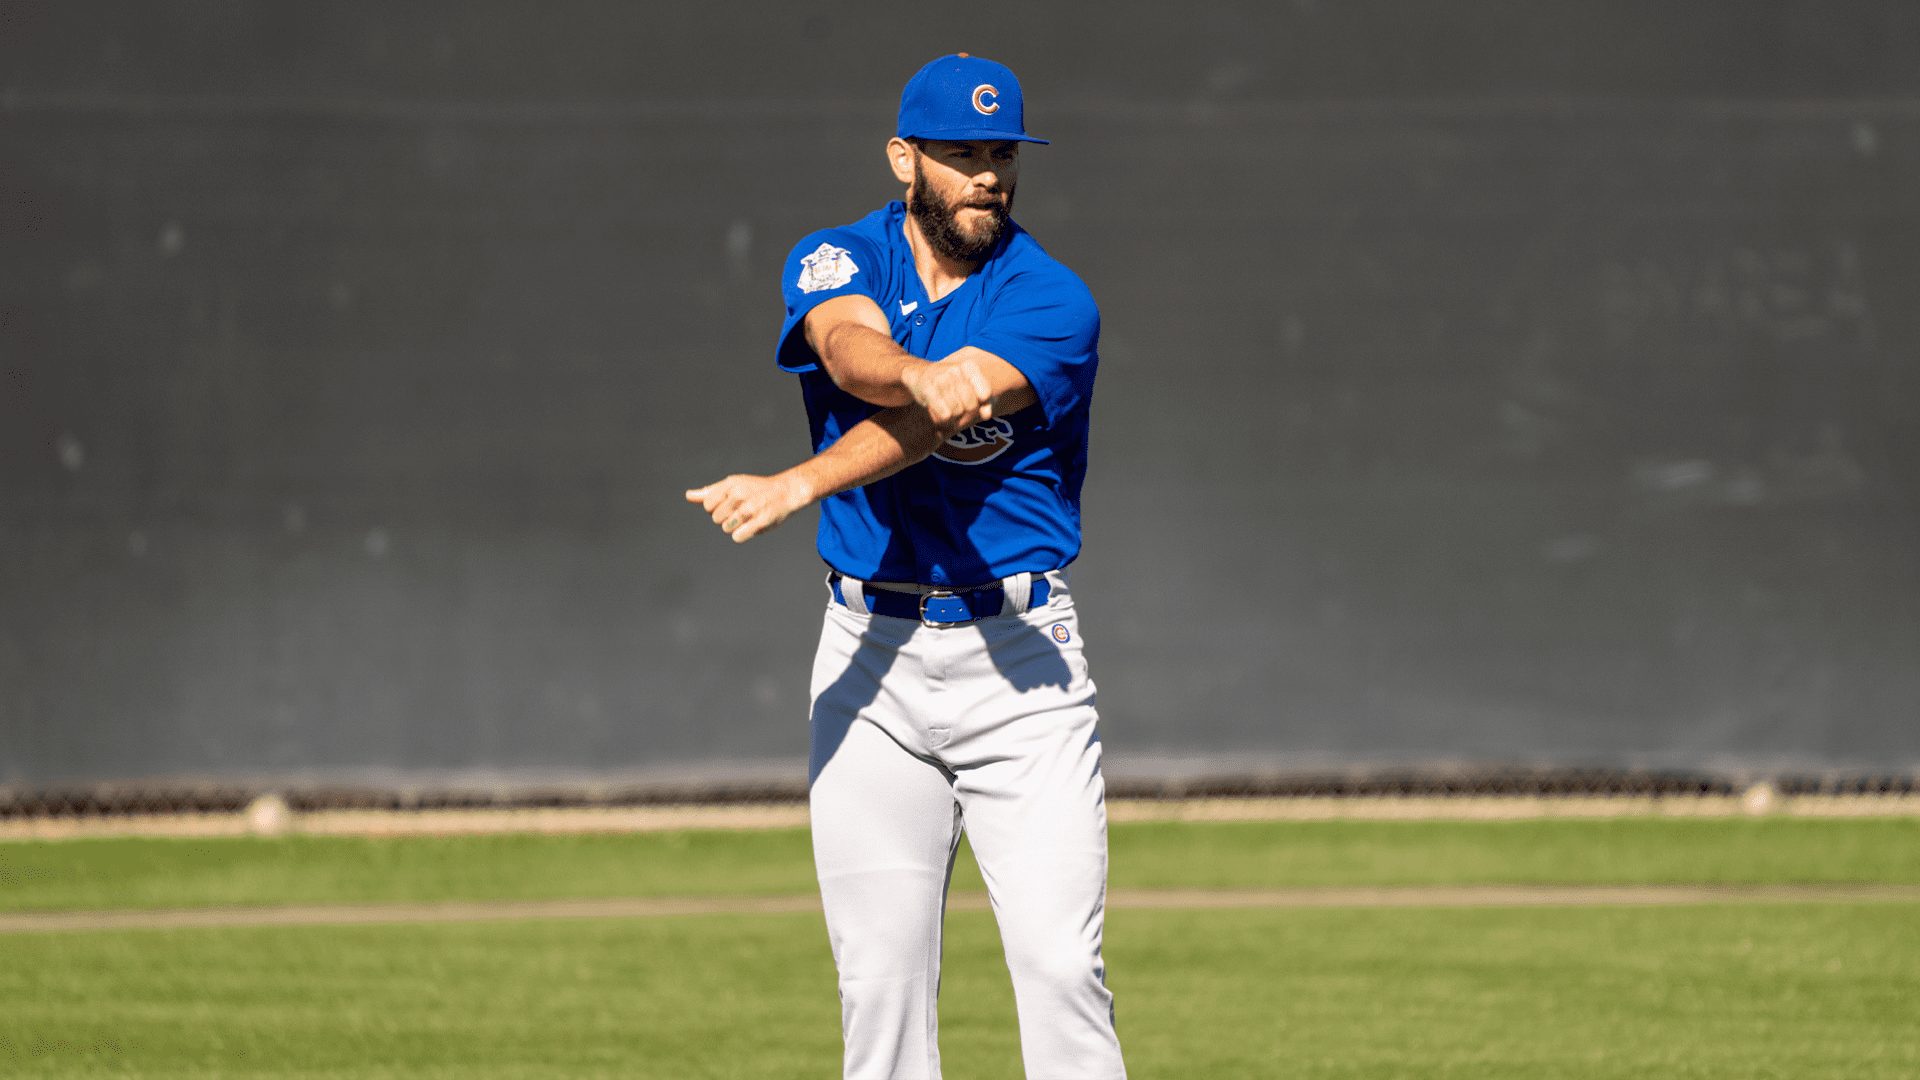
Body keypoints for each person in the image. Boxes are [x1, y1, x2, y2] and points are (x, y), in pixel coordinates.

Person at [685, 53, 1126, 1080]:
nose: (986, 175)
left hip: (1021, 665)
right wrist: (916, 372)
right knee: (878, 987)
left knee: (1062, 967)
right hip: (870, 659)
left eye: (1002, 153)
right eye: (961, 153)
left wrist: (799, 483)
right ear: (904, 158)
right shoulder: (837, 256)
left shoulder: (1052, 299)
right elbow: (848, 349)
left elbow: (933, 426)